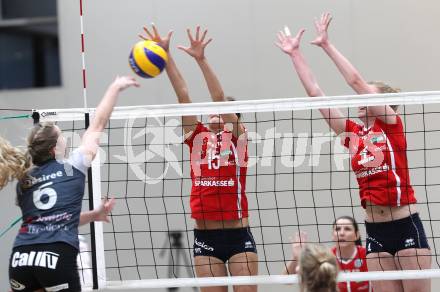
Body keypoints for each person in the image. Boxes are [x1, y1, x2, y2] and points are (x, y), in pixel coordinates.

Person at [276, 14, 431, 292]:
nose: (360, 101)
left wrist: (326, 45)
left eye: (367, 96)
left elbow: (357, 82)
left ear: (381, 102)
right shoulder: (353, 134)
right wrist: (295, 54)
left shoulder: (391, 127)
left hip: (406, 224)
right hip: (375, 230)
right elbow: (316, 93)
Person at [139, 24, 257, 292]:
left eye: (222, 113)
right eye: (211, 112)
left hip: (238, 235)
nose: (213, 114)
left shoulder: (239, 140)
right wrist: (165, 56)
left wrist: (201, 60)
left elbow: (218, 98)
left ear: (234, 119)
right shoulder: (197, 137)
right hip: (205, 236)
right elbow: (183, 96)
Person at [1, 76, 139, 291]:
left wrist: (94, 215)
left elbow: (46, 219)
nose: (65, 138)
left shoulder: (24, 179)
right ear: (53, 148)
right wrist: (115, 87)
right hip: (56, 257)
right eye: (61, 136)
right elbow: (98, 124)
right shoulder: (73, 165)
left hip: (21, 258)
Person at [284, 216, 371, 292]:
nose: (341, 233)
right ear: (333, 235)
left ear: (357, 235)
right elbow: (286, 281)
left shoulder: (368, 255)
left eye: (347, 229)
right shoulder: (325, 256)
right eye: (337, 229)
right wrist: (296, 257)